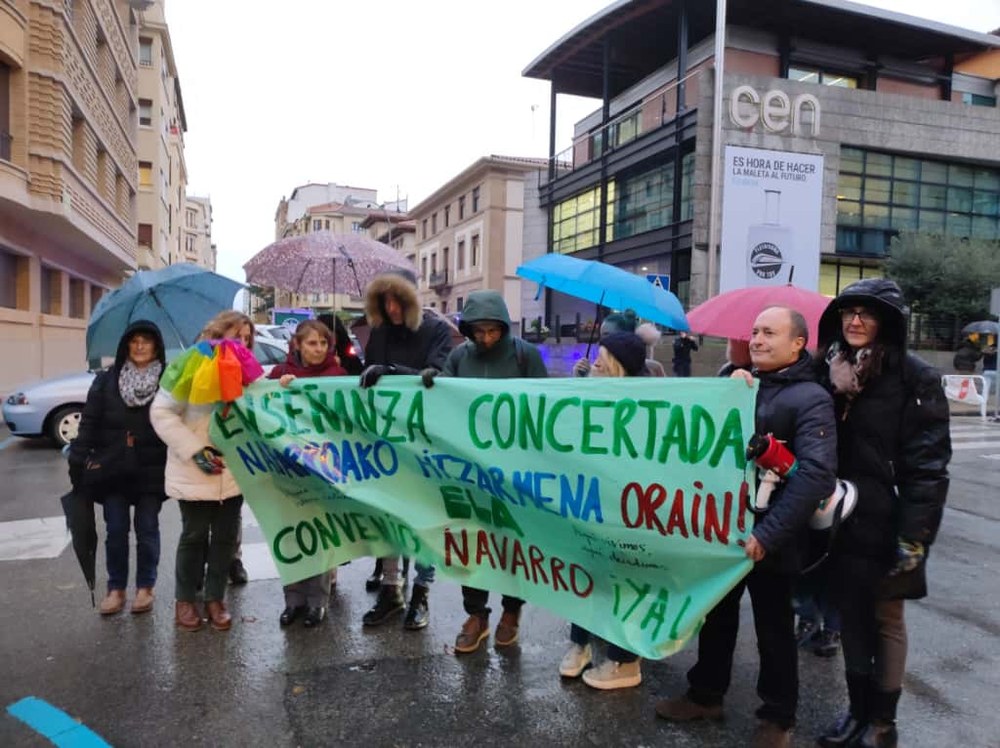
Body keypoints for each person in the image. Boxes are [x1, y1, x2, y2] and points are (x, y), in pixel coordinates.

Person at [655, 306, 837, 748]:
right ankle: (705, 694)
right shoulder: (739, 383)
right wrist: (727, 392)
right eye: (754, 331)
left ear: (798, 344)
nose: (757, 339)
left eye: (769, 333)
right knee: (717, 615)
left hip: (773, 538)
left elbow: (816, 475)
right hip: (725, 528)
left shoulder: (812, 399)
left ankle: (777, 718)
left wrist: (768, 535)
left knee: (774, 627)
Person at [814, 280, 950, 748]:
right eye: (848, 312)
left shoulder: (915, 377)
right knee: (850, 615)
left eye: (866, 314)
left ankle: (883, 723)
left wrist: (915, 537)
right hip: (840, 518)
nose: (855, 321)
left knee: (886, 617)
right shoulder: (826, 368)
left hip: (892, 520)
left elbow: (929, 464)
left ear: (887, 323)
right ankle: (855, 711)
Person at [425, 289, 548, 653]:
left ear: (504, 327)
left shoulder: (525, 354)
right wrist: (433, 377)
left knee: (512, 543)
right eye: (478, 331)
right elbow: (444, 390)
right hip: (470, 468)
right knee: (472, 542)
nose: (486, 338)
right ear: (467, 329)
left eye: (493, 330)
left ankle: (512, 611)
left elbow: (546, 403)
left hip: (514, 470)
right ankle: (476, 615)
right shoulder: (460, 356)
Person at [357, 269, 454, 630]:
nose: (392, 308)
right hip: (385, 439)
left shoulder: (436, 329)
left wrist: (393, 370)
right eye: (385, 301)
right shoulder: (380, 331)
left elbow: (441, 373)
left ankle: (421, 594)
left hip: (426, 439)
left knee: (425, 519)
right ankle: (391, 589)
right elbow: (368, 371)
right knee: (388, 517)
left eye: (398, 300)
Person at [150, 311, 256, 633]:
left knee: (225, 538)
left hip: (232, 471)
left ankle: (214, 598)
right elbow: (162, 412)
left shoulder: (248, 369)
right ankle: (185, 600)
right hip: (195, 470)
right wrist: (197, 452)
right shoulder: (190, 364)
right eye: (236, 336)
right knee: (194, 536)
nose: (242, 343)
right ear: (217, 333)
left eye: (248, 339)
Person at [559, 332, 648, 689]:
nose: (596, 360)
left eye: (603, 356)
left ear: (619, 365)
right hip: (590, 505)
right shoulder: (589, 389)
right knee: (586, 574)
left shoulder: (647, 401)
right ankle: (580, 644)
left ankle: (625, 661)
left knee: (623, 582)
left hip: (625, 511)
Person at [68, 321, 168, 616]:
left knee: (147, 529)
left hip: (152, 467)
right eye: (134, 341)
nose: (139, 346)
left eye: (146, 341)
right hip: (112, 467)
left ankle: (145, 587)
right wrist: (78, 456)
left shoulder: (168, 380)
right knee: (116, 529)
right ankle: (116, 589)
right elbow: (89, 420)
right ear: (126, 345)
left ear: (156, 346)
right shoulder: (106, 380)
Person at [268, 320, 348, 628]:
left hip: (324, 467)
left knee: (320, 537)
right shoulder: (279, 375)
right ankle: (293, 600)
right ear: (298, 345)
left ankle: (318, 602)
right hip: (287, 468)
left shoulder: (338, 376)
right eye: (311, 343)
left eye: (323, 344)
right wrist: (279, 389)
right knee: (291, 535)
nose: (318, 349)